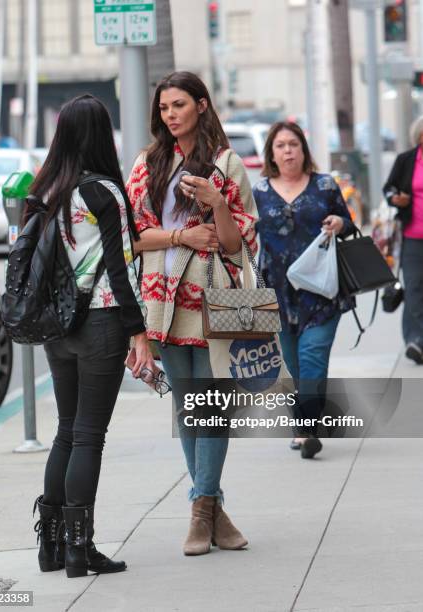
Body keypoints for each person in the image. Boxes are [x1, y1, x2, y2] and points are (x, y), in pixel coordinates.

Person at [127, 71, 257, 556]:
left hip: (214, 296)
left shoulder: (227, 162)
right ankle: (213, 510)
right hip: (161, 297)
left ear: (202, 105)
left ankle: (201, 508)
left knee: (213, 405)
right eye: (164, 108)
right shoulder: (146, 164)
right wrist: (182, 235)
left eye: (179, 104)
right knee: (187, 407)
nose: (171, 114)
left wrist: (218, 203)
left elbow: (233, 241)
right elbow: (133, 237)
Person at [30, 94, 154, 578]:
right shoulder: (103, 191)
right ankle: (81, 551)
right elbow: (121, 270)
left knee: (66, 430)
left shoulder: (47, 188)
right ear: (103, 135)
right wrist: (139, 331)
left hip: (57, 326)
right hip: (100, 322)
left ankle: (52, 547)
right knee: (88, 436)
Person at [253, 121, 354, 459]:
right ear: (272, 154)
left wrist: (339, 223)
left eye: (293, 144)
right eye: (280, 145)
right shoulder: (259, 192)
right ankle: (302, 426)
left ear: (303, 150)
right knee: (293, 365)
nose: (287, 151)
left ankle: (307, 427)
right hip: (278, 294)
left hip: (322, 291)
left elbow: (348, 220)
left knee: (313, 356)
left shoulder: (324, 186)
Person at [383, 116, 423, 365]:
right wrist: (396, 198)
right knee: (415, 287)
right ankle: (416, 340)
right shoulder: (406, 160)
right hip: (413, 236)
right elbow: (389, 189)